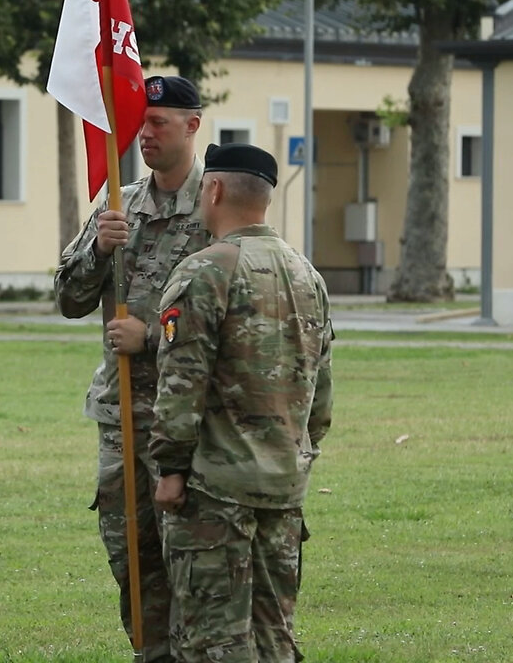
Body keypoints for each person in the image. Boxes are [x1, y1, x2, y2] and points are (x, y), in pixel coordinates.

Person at [150, 143, 334, 663]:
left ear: (214, 189)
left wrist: (169, 468)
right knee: (275, 637)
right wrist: (297, 453)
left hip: (215, 490)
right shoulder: (307, 276)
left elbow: (181, 383)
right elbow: (320, 396)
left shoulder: (204, 271)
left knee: (213, 639)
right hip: (283, 486)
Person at [53, 75, 210, 662]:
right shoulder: (121, 204)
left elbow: (233, 318)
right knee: (130, 551)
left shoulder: (216, 207)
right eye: (139, 123)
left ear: (192, 126)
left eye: (158, 123)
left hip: (187, 417)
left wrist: (150, 340)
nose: (144, 134)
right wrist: (97, 250)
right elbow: (68, 299)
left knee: (190, 553)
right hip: (122, 414)